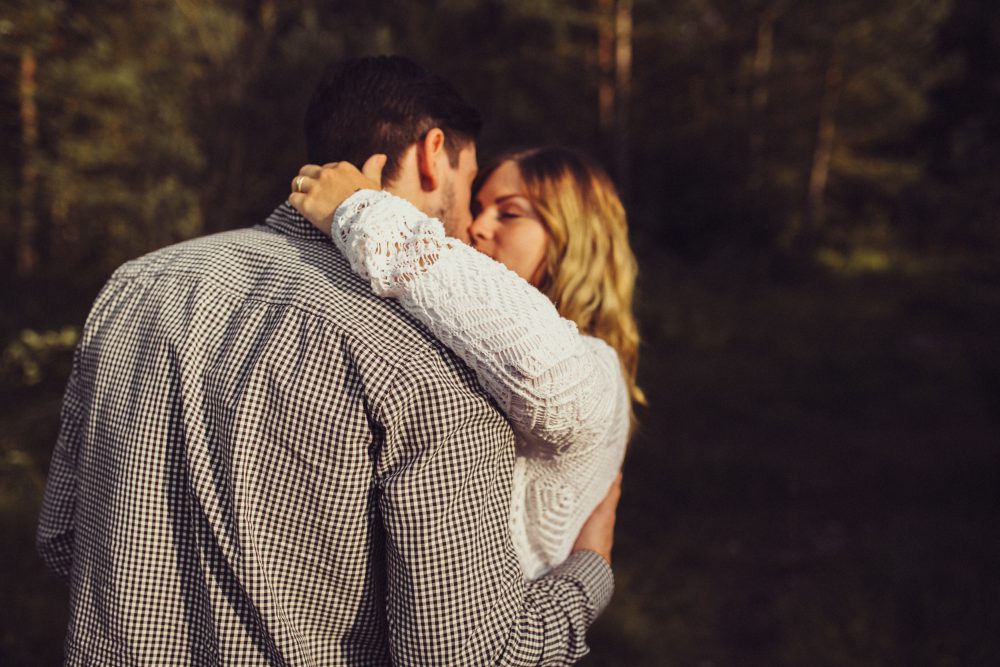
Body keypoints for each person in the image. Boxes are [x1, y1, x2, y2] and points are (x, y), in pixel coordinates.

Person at [36, 56, 620, 665]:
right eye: (470, 186)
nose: (471, 222)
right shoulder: (442, 363)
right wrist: (590, 573)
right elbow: (467, 655)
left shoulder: (138, 284)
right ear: (431, 153)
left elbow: (63, 538)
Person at [289, 146, 643, 582]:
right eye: (477, 207)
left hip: (503, 637)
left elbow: (542, 371)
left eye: (509, 214)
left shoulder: (597, 365)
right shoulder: (471, 336)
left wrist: (360, 210)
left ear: (576, 236)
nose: (477, 226)